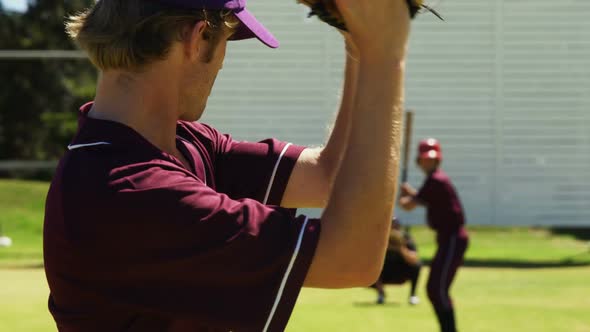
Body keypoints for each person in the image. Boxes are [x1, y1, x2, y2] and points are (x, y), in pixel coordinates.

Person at [43, 0, 412, 331]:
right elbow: (350, 258)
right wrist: (385, 53)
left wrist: (358, 43)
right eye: (226, 42)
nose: (222, 61)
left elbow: (328, 175)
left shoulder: (178, 145)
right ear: (198, 38)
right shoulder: (128, 190)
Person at [399, 138, 469, 332]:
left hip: (453, 238)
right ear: (419, 161)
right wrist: (410, 194)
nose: (428, 162)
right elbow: (423, 200)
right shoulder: (433, 181)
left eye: (431, 159)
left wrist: (405, 197)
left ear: (437, 160)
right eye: (425, 159)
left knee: (437, 289)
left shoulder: (436, 180)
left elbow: (409, 204)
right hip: (448, 239)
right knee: (435, 289)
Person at [372, 217, 421, 305]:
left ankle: (413, 295)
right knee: (373, 267)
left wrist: (400, 248)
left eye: (395, 225)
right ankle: (381, 294)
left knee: (416, 266)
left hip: (401, 270)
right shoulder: (380, 237)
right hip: (385, 270)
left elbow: (414, 259)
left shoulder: (405, 237)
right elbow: (371, 259)